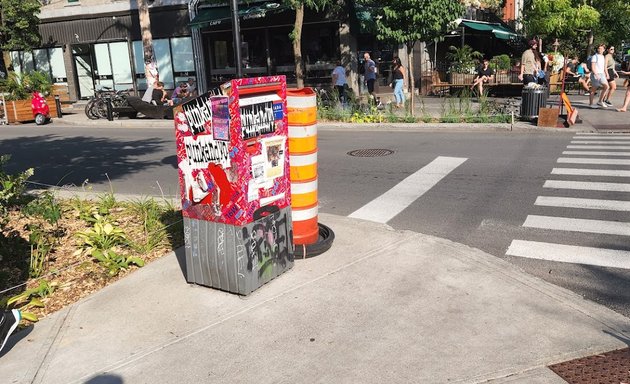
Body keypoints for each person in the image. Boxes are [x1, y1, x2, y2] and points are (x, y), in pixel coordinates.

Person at [589, 43, 610, 108]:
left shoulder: (603, 57)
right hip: (596, 74)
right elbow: (593, 67)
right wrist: (596, 74)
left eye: (601, 49)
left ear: (604, 50)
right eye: (598, 48)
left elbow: (603, 67)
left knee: (607, 87)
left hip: (602, 74)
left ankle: (600, 101)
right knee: (594, 89)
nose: (599, 50)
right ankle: (591, 104)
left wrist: (606, 74)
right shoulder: (595, 56)